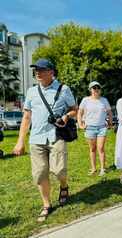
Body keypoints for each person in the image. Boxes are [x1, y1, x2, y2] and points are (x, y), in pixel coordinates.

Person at [12, 59, 77, 222]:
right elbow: (26, 117)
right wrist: (21, 141)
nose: (38, 73)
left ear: (51, 72)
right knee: (40, 174)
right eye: (36, 70)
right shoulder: (31, 92)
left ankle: (64, 186)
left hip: (57, 136)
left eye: (41, 70)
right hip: (36, 139)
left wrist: (66, 116)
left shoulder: (64, 89)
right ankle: (47, 204)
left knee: (59, 170)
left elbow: (74, 110)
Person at [77, 81, 112, 176]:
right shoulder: (85, 100)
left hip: (102, 127)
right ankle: (93, 168)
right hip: (90, 128)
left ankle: (102, 169)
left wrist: (110, 122)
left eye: (98, 88)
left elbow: (109, 112)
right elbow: (79, 113)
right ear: (90, 90)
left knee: (100, 148)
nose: (96, 89)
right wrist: (80, 124)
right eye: (94, 88)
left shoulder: (104, 100)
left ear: (100, 90)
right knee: (92, 149)